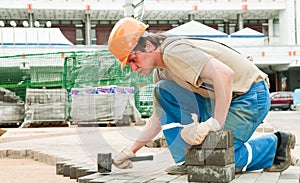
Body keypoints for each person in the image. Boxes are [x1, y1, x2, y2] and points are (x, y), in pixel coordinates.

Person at [108, 17, 296, 174]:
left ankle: (276, 145)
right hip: (221, 99)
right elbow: (159, 116)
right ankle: (186, 161)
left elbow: (225, 75)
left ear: (148, 46)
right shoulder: (161, 72)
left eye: (133, 59)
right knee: (162, 92)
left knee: (215, 160)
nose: (133, 67)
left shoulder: (173, 52)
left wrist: (215, 123)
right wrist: (130, 151)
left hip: (249, 96)